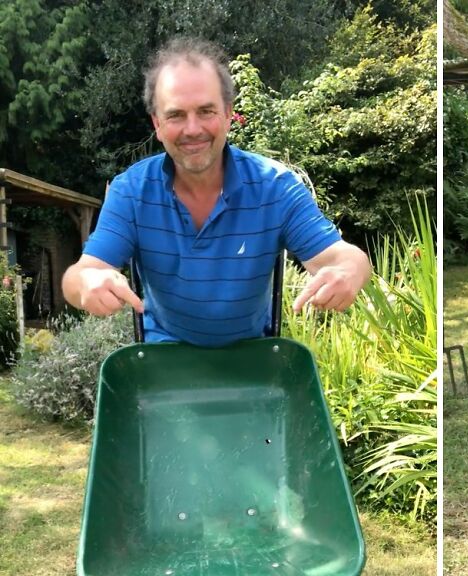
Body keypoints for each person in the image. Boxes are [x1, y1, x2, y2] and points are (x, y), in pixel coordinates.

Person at [62, 37, 371, 345]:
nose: (192, 129)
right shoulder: (130, 192)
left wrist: (349, 271)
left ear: (227, 114)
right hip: (164, 358)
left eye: (206, 111)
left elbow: (344, 258)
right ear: (157, 123)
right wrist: (88, 283)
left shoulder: (276, 187)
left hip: (251, 357)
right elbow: (78, 276)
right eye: (176, 115)